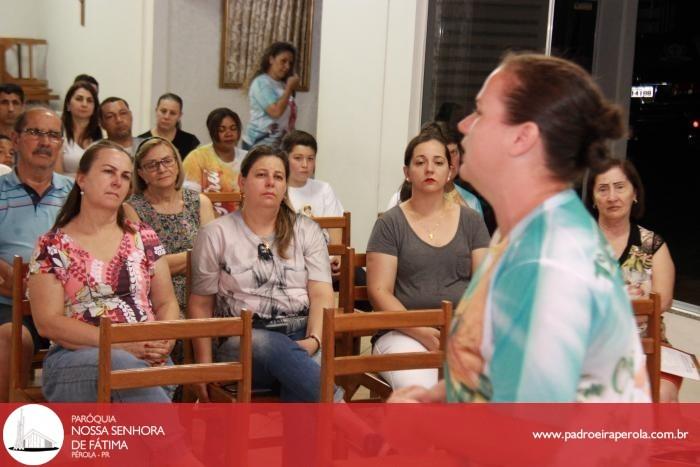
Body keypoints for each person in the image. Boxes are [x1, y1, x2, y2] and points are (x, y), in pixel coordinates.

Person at [391, 53, 649, 403]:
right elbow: (496, 361)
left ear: (521, 138)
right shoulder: (520, 231)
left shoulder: (549, 260)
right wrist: (435, 397)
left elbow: (530, 434)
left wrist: (416, 425)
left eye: (481, 112)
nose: (465, 124)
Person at [27, 140, 179, 402]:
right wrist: (119, 345)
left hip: (147, 356)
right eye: (109, 172)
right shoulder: (52, 245)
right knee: (120, 364)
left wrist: (164, 340)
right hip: (75, 359)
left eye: (125, 176)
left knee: (139, 379)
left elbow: (166, 302)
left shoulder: (143, 236)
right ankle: (177, 444)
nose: (118, 182)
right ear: (82, 179)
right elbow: (47, 322)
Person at [189, 145, 338, 402]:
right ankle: (353, 423)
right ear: (242, 182)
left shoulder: (307, 230)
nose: (270, 183)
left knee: (300, 371)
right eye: (261, 175)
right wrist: (205, 366)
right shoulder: (216, 233)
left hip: (303, 334)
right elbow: (201, 304)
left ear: (285, 187)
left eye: (278, 177)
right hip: (243, 342)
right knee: (277, 348)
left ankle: (304, 442)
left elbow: (321, 293)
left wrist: (314, 339)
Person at [367, 130, 489, 389]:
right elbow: (379, 291)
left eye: (438, 162)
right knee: (425, 394)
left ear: (449, 171)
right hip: (401, 332)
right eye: (420, 162)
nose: (429, 169)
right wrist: (420, 330)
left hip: (462, 333)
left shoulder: (472, 222)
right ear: (407, 172)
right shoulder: (389, 224)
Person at [124, 137, 215, 391]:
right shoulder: (132, 209)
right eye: (152, 165)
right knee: (175, 329)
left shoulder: (200, 202)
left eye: (166, 161)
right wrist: (193, 256)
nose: (161, 169)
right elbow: (145, 266)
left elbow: (214, 255)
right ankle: (176, 402)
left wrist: (171, 259)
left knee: (227, 321)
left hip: (203, 290)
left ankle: (214, 395)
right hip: (157, 295)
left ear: (177, 163)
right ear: (141, 172)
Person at [586, 158, 678, 402]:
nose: (612, 196)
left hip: (646, 348)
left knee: (663, 393)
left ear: (634, 194)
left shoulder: (652, 245)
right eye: (603, 189)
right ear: (594, 199)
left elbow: (663, 301)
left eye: (620, 187)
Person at [0, 107, 73, 402]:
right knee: (11, 339)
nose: (45, 141)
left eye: (54, 135)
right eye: (36, 133)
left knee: (104, 342)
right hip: (11, 302)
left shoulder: (75, 194)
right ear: (15, 139)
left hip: (71, 303)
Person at [281, 130, 344, 275]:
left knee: (360, 276)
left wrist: (338, 256)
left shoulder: (324, 188)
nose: (305, 165)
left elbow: (336, 227)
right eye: (298, 158)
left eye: (310, 159)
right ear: (285, 158)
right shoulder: (279, 189)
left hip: (325, 259)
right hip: (293, 262)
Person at [182, 108, 246, 215]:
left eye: (233, 128)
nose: (229, 134)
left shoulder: (248, 158)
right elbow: (189, 199)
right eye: (222, 130)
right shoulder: (197, 157)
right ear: (212, 133)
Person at [242, 42, 299, 149]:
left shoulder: (283, 84)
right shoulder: (261, 83)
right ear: (271, 59)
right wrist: (289, 88)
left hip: (279, 144)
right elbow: (275, 112)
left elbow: (287, 118)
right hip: (259, 144)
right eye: (283, 61)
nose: (287, 66)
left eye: (290, 63)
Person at [56, 81, 102, 178]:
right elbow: (56, 176)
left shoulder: (102, 136)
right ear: (68, 105)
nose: (84, 104)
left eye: (89, 100)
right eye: (79, 99)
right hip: (66, 189)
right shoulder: (58, 133)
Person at [138, 93, 200, 160]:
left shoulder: (189, 141)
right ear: (156, 111)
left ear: (179, 116)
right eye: (163, 111)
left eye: (172, 113)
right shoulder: (141, 141)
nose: (166, 117)